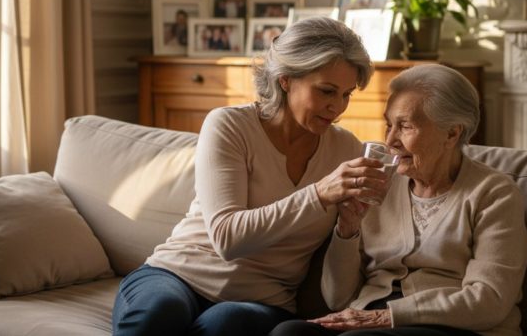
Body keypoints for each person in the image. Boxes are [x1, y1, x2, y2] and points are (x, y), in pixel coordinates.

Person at [112, 17, 388, 336]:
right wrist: (319, 194)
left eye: (346, 94)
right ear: (286, 79)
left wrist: (348, 229)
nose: (337, 107)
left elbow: (341, 288)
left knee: (226, 324)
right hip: (177, 274)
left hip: (262, 300)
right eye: (326, 91)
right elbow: (228, 239)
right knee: (159, 313)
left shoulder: (346, 149)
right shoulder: (229, 125)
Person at [271, 64, 527, 336]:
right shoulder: (380, 184)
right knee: (289, 332)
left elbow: (490, 300)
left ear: (452, 133)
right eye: (389, 125)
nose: (390, 140)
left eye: (405, 126)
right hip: (369, 321)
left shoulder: (494, 193)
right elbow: (338, 299)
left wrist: (386, 317)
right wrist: (347, 230)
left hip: (451, 326)